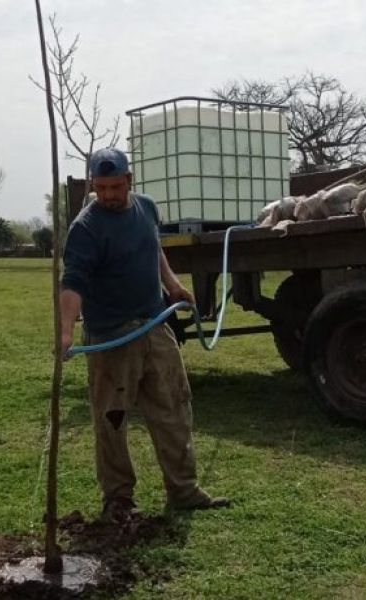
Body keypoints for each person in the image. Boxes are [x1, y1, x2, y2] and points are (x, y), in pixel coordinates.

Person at [59, 147, 229, 522]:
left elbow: (153, 248)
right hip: (112, 336)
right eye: (100, 188)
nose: (108, 196)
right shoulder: (85, 229)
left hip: (155, 326)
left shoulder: (147, 207)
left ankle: (183, 490)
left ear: (130, 182)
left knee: (173, 407)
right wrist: (66, 332)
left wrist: (171, 284)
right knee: (112, 420)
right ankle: (118, 500)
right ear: (92, 185)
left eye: (115, 187)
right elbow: (72, 283)